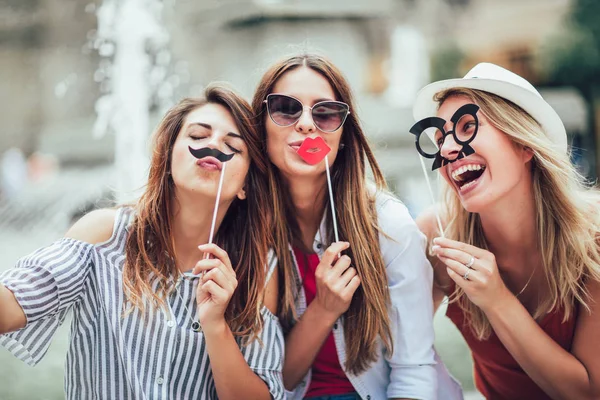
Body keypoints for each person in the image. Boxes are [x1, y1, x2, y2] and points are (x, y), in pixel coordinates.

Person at [0, 85, 284, 400]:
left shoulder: (258, 267)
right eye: (197, 136)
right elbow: (11, 306)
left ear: (245, 185)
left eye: (233, 144)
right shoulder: (104, 236)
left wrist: (215, 326)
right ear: (167, 155)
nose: (214, 144)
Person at [252, 54, 461, 400]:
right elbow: (273, 380)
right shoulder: (249, 232)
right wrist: (324, 309)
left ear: (344, 135)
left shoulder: (390, 226)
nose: (306, 124)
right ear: (260, 125)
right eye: (286, 108)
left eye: (325, 113)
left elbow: (413, 372)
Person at [414, 62, 600, 399]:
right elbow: (392, 351)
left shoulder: (595, 237)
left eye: (468, 127)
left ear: (524, 144)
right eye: (440, 139)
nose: (447, 150)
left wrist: (496, 300)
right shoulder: (437, 235)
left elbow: (587, 393)